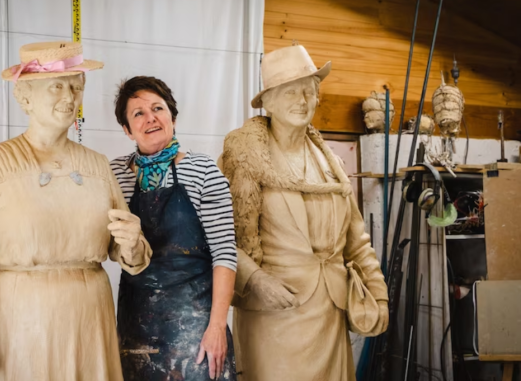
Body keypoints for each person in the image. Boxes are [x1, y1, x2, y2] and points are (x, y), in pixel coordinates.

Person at [0, 41, 151, 381]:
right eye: (57, 86)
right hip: (21, 322)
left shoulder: (98, 166)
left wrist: (132, 244)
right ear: (25, 97)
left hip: (90, 321)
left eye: (76, 87)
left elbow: (129, 252)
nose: (70, 97)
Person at [220, 44, 389, 380]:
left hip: (330, 315)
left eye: (308, 91)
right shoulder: (243, 159)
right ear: (267, 101)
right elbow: (219, 237)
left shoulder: (332, 165)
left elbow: (357, 240)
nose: (301, 100)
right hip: (273, 316)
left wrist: (380, 296)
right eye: (289, 92)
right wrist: (255, 279)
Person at [110, 76, 237, 381]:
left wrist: (217, 326)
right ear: (127, 130)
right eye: (138, 113)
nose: (150, 118)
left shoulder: (203, 171)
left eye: (158, 108)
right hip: (137, 324)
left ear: (173, 118)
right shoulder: (114, 175)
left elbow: (225, 255)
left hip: (196, 325)